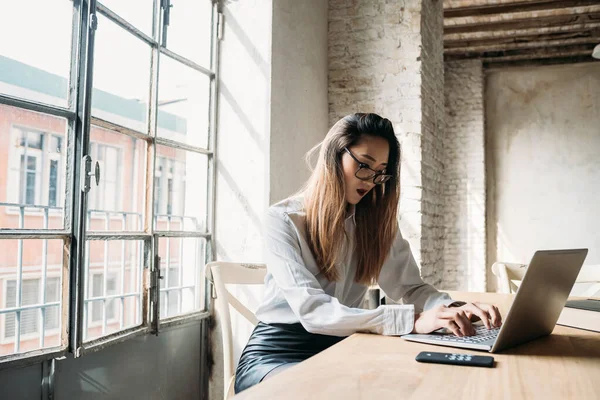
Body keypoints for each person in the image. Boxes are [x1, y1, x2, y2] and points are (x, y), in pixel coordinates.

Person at [234, 113, 502, 393]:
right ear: (334, 156)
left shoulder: (374, 222)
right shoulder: (283, 219)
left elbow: (410, 287)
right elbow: (313, 311)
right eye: (364, 165)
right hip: (277, 355)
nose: (371, 180)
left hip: (345, 347)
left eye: (380, 172)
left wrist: (452, 310)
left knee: (417, 383)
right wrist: (411, 321)